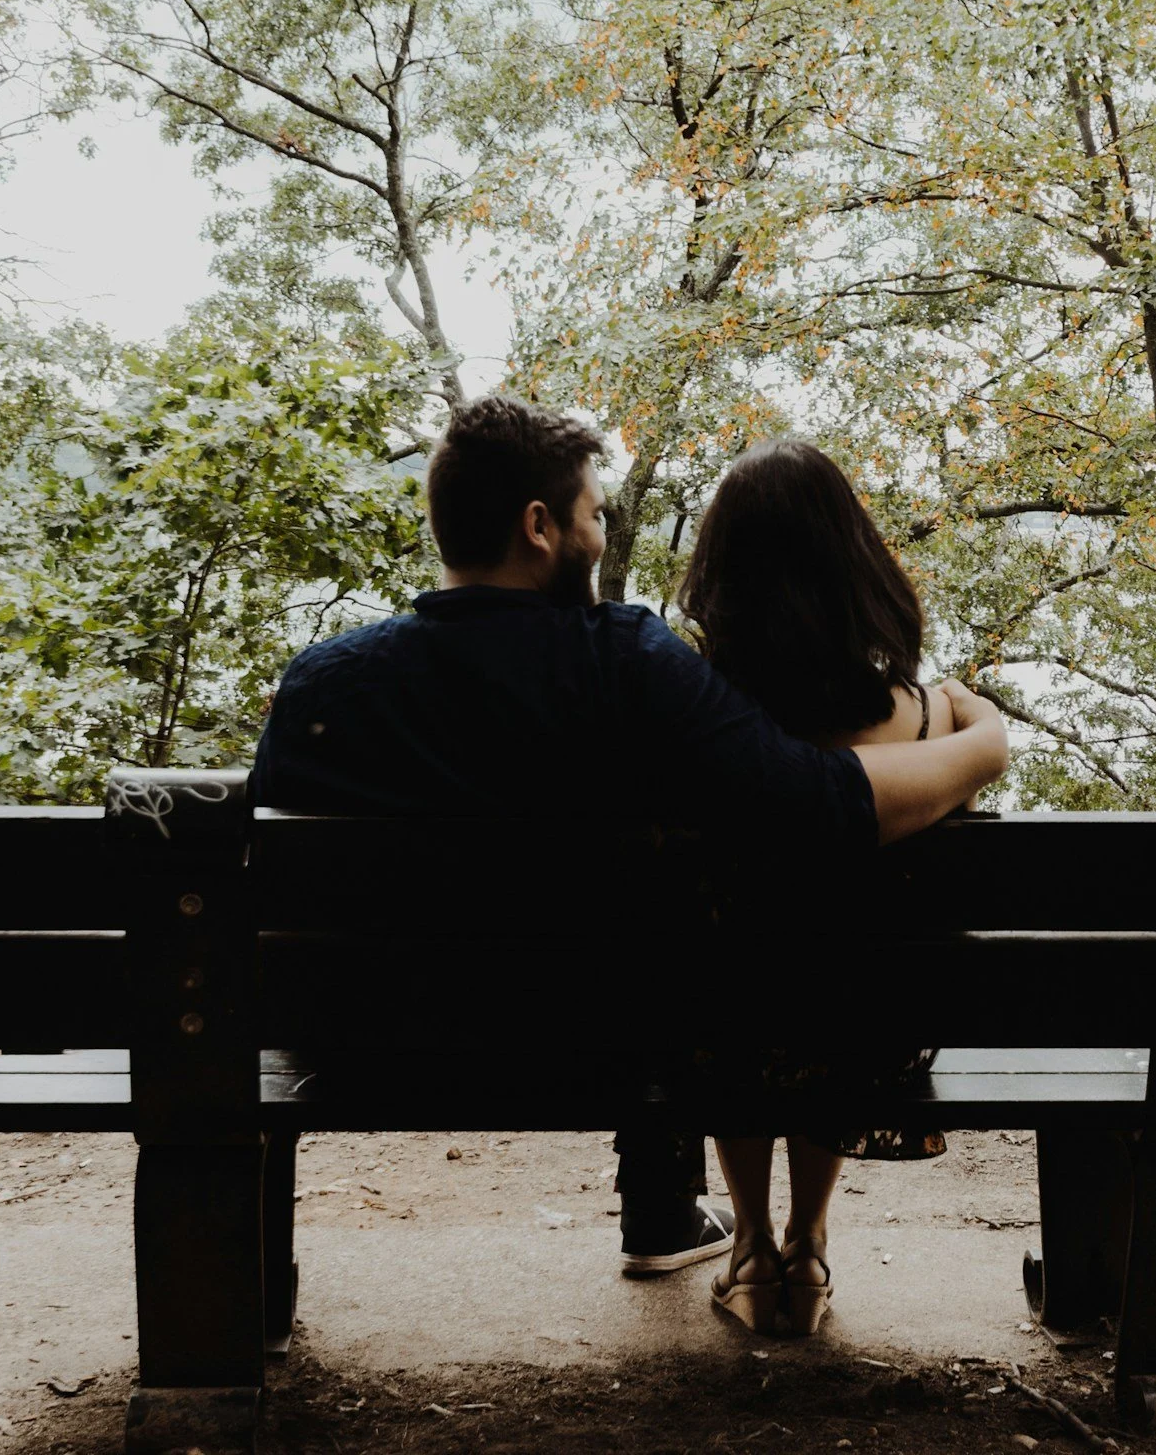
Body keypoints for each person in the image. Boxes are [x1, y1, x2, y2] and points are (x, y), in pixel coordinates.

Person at [249, 395, 1007, 1281]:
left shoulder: (322, 688)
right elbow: (816, 804)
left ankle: (248, 1295)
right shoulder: (625, 665)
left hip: (352, 1046)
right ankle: (674, 1213)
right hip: (585, 1048)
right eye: (594, 514)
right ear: (539, 528)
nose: (601, 533)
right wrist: (981, 745)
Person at [673, 438, 965, 1337]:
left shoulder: (696, 717)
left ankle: (753, 1247)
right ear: (855, 565)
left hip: (717, 1032)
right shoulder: (922, 717)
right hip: (868, 1034)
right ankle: (808, 1243)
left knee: (731, 990)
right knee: (835, 984)